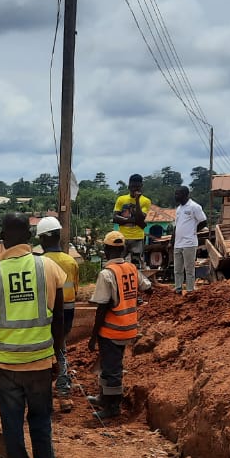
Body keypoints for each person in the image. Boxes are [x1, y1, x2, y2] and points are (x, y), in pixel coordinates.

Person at [0, 213, 67, 458]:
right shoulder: (49, 268)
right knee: (40, 419)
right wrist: (56, 357)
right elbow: (59, 320)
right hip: (39, 361)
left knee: (12, 420)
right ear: (29, 237)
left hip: (6, 364)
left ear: (4, 240)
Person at [88, 231, 152, 419]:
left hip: (111, 330)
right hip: (129, 327)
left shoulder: (107, 274)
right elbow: (149, 287)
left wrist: (93, 335)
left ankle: (112, 408)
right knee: (109, 364)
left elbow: (102, 307)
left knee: (112, 369)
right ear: (123, 249)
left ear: (106, 250)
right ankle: (103, 397)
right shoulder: (132, 268)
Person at [34, 215, 80, 399]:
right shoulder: (71, 262)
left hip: (46, 312)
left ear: (42, 238)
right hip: (67, 312)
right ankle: (63, 390)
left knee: (44, 351)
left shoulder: (38, 263)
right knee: (61, 348)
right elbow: (74, 290)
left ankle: (44, 390)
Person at [171, 185, 207, 294]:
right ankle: (178, 288)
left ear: (186, 195)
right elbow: (176, 226)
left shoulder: (194, 207)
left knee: (189, 269)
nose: (176, 196)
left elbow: (204, 221)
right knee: (177, 269)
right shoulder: (178, 209)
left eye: (179, 194)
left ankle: (190, 290)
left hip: (189, 243)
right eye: (176, 194)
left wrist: (193, 231)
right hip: (178, 244)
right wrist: (171, 241)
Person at [113, 173, 150, 267]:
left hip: (137, 238)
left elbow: (141, 217)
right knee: (119, 262)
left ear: (141, 187)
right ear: (129, 186)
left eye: (137, 187)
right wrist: (133, 220)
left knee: (136, 264)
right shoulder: (121, 199)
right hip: (122, 237)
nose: (135, 189)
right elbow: (115, 218)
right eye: (133, 186)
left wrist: (137, 200)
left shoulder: (145, 201)